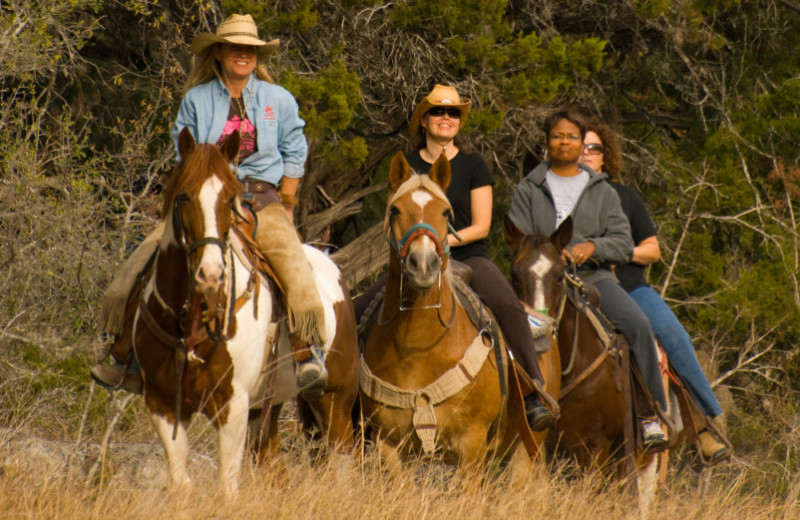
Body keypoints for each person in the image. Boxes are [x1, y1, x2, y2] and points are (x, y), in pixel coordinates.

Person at [91, 13, 328, 398]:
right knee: (146, 257)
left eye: (249, 49)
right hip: (208, 199)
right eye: (235, 47)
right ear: (218, 52)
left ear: (257, 56)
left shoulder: (278, 99)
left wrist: (287, 202)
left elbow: (295, 149)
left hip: (262, 197)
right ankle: (123, 353)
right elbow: (185, 157)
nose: (243, 55)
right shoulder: (197, 101)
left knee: (293, 261)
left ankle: (306, 352)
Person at [355, 84, 557, 431]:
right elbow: (392, 219)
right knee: (358, 312)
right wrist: (416, 244)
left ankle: (533, 390)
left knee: (507, 307)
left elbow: (481, 224)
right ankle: (352, 402)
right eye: (438, 111)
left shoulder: (472, 164)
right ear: (424, 120)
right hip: (411, 257)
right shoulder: (406, 165)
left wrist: (439, 241)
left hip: (467, 255)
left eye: (453, 113)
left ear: (459, 122)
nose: (445, 118)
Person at [507, 109, 668, 449]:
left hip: (594, 278)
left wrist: (592, 246)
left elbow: (624, 242)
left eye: (571, 137)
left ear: (582, 144)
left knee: (638, 324)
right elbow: (517, 239)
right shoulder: (528, 188)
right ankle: (518, 408)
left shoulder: (603, 191)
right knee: (505, 329)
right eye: (557, 136)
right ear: (546, 141)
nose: (564, 142)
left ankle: (650, 415)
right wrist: (547, 254)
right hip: (540, 280)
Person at [580, 116, 731, 463]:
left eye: (595, 148)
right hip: (579, 287)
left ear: (606, 156)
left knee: (674, 337)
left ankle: (703, 424)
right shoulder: (558, 197)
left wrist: (616, 251)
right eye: (581, 147)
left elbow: (652, 249)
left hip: (631, 287)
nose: (587, 154)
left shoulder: (625, 197)